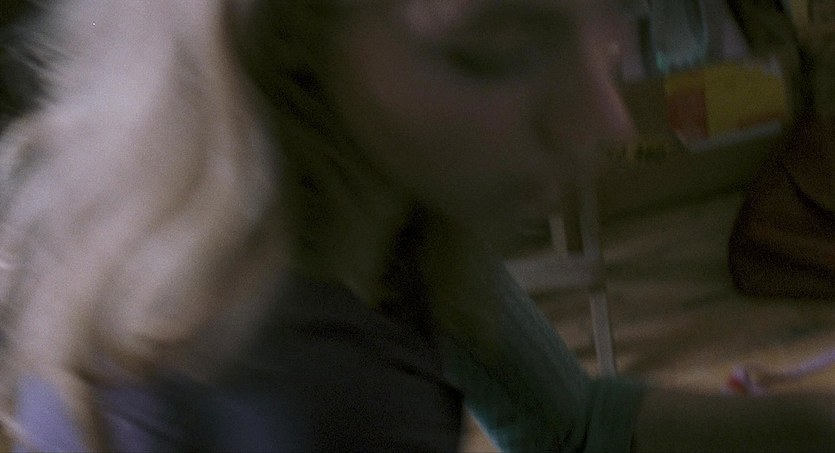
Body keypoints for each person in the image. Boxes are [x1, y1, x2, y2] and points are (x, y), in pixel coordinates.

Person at [0, 1, 831, 451]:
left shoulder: (389, 202)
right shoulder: (311, 397)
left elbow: (569, 424)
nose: (606, 121)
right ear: (287, 38)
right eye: (493, 48)